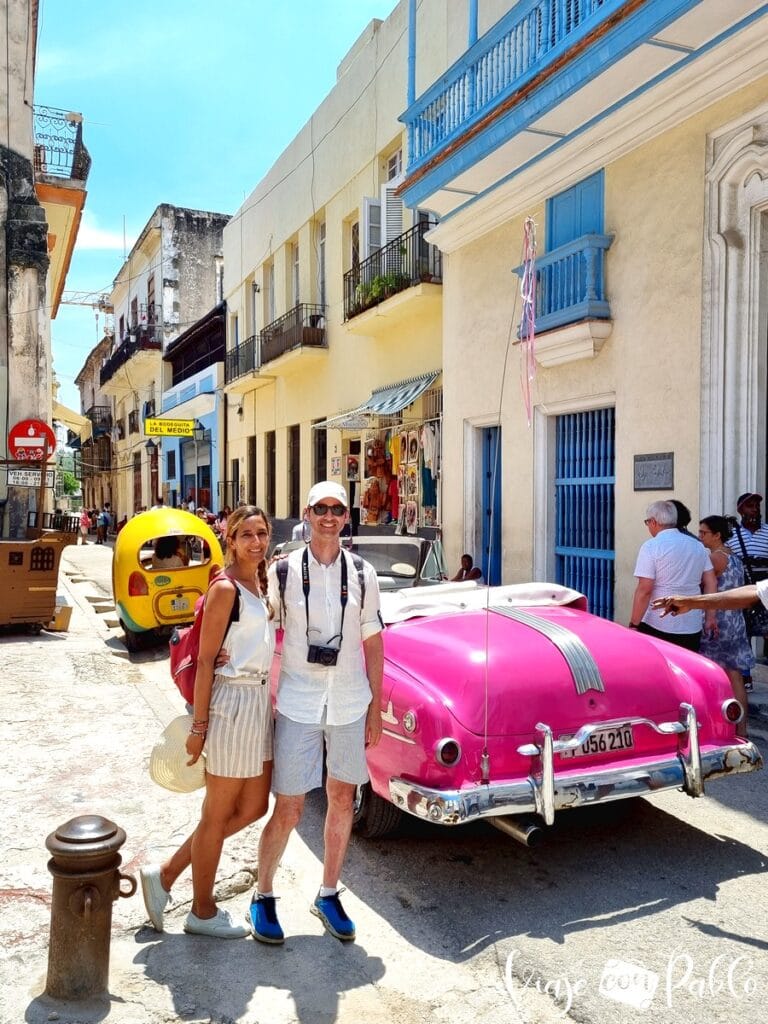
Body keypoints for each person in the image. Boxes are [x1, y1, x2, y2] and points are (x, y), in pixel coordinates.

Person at [248, 481, 383, 945]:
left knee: (343, 798)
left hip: (348, 699)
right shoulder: (283, 571)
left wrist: (376, 708)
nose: (329, 516)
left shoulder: (363, 573)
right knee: (289, 805)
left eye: (337, 509)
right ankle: (262, 896)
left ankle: (328, 892)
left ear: (347, 517)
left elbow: (373, 641)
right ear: (306, 513)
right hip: (299, 701)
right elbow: (257, 623)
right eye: (320, 508)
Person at [140, 505, 275, 939]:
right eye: (246, 535)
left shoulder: (259, 580)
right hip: (232, 704)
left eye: (262, 533)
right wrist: (199, 729)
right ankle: (201, 910)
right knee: (216, 814)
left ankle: (166, 873)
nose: (256, 542)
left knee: (255, 807)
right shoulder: (225, 588)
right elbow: (203, 662)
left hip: (258, 703)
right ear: (230, 540)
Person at [629, 500, 717, 651]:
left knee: (656, 670)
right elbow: (711, 583)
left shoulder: (651, 546)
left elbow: (645, 590)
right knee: (685, 670)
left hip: (657, 622)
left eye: (647, 522)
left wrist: (634, 624)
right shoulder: (697, 546)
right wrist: (710, 617)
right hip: (691, 624)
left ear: (653, 522)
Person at [695, 516, 753, 735]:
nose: (700, 537)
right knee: (735, 676)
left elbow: (702, 584)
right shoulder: (734, 556)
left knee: (713, 674)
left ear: (717, 535)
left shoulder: (715, 558)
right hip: (735, 621)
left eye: (704, 533)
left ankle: (717, 726)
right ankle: (742, 729)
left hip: (718, 621)